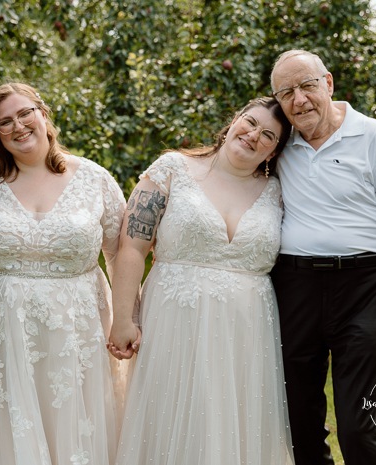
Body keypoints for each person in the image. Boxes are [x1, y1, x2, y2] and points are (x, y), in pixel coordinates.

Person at [0, 82, 127, 465]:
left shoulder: (95, 179)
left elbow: (119, 254)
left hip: (77, 332)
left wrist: (125, 318)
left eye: (25, 113)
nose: (18, 126)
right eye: (4, 122)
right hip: (2, 333)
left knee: (75, 431)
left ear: (43, 115)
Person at [108, 97, 295, 464]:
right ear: (234, 120)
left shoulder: (279, 193)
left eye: (268, 135)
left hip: (247, 331)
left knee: (234, 423)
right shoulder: (172, 169)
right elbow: (131, 246)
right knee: (171, 415)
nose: (253, 135)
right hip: (175, 320)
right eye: (250, 122)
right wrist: (123, 318)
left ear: (275, 150)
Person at [269, 49, 376, 465]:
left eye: (307, 86)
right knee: (298, 417)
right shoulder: (278, 143)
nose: (298, 100)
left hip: (363, 287)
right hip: (295, 287)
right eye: (286, 92)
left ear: (329, 83)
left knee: (359, 423)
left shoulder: (374, 137)